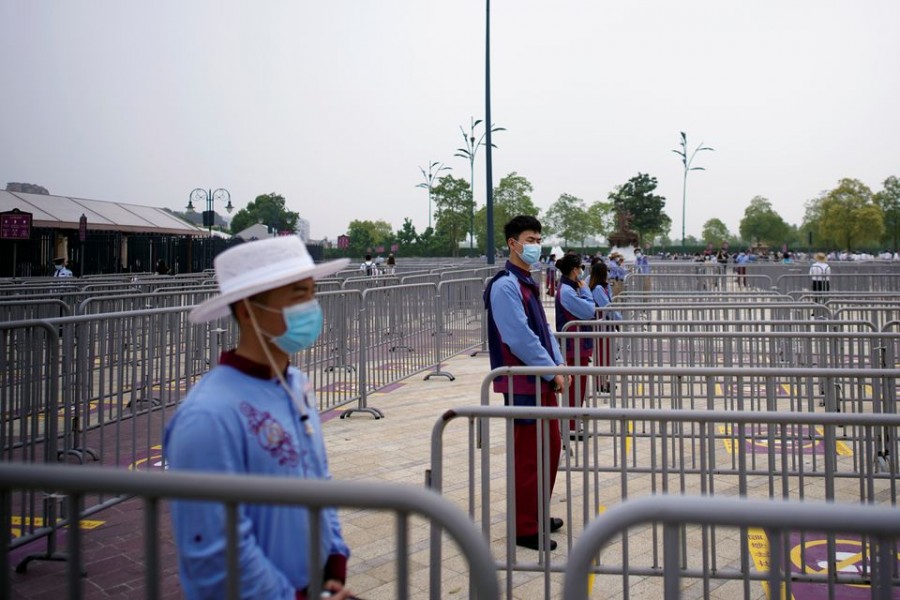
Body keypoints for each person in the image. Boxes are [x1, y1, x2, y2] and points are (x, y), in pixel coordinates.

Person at [164, 236, 354, 600]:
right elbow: (216, 555)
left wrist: (333, 561)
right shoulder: (207, 416)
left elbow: (319, 478)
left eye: (312, 294)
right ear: (249, 311)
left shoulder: (296, 384)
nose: (311, 308)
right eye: (298, 295)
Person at [484, 215, 567, 551]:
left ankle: (536, 512)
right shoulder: (505, 285)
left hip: (540, 379)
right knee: (530, 456)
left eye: (538, 238)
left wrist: (558, 363)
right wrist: (552, 370)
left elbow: (545, 331)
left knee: (549, 448)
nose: (536, 244)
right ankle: (525, 527)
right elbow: (519, 337)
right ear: (513, 243)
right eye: (530, 239)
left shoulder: (525, 282)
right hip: (523, 383)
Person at [554, 253, 596, 438]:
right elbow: (589, 311)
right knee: (574, 390)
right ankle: (570, 427)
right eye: (580, 268)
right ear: (574, 270)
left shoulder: (569, 288)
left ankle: (573, 424)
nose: (582, 272)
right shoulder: (567, 291)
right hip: (573, 347)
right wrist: (586, 289)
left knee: (578, 388)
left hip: (578, 346)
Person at [589, 261, 620, 393]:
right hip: (601, 327)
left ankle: (604, 381)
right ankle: (600, 383)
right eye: (606, 271)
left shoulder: (603, 287)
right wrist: (619, 320)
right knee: (602, 356)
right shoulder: (598, 289)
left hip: (606, 326)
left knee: (607, 355)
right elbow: (607, 307)